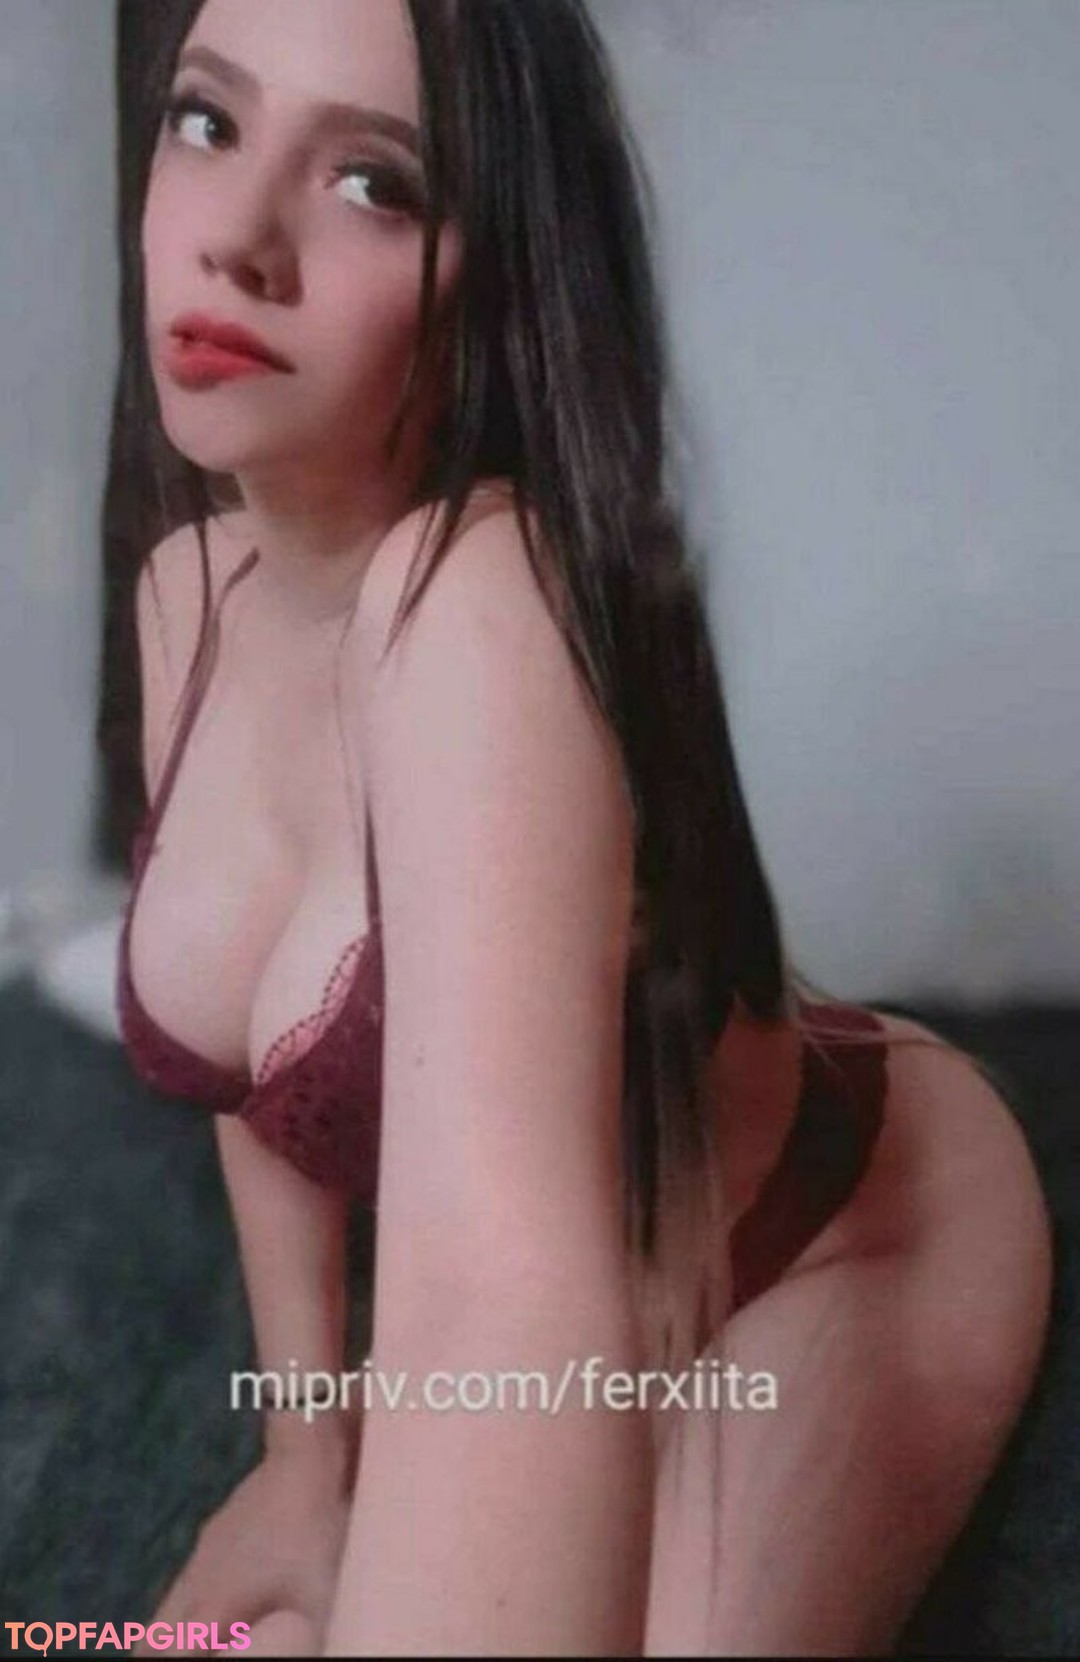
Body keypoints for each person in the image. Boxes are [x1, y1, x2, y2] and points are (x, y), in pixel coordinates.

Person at [101, 0, 1052, 1653]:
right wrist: (307, 1456)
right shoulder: (186, 592)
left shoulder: (485, 604)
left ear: (496, 270)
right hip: (575, 1301)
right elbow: (252, 1074)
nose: (240, 236)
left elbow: (501, 1293)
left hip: (835, 1236)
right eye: (208, 119)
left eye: (374, 182)